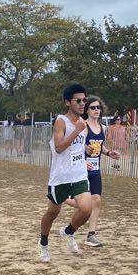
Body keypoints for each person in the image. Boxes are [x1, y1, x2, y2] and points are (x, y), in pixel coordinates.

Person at [38, 84, 94, 262]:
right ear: (68, 102)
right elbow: (59, 147)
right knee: (52, 213)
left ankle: (68, 231)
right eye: (78, 100)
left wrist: (86, 149)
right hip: (60, 176)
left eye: (84, 100)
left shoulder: (82, 123)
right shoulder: (61, 121)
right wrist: (77, 130)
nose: (82, 103)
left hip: (78, 174)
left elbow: (76, 146)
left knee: (87, 209)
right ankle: (43, 243)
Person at [64, 95, 120, 247]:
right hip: (81, 169)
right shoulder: (83, 126)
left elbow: (100, 146)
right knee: (83, 204)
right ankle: (62, 197)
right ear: (87, 110)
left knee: (96, 200)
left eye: (98, 107)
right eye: (93, 107)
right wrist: (84, 150)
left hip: (95, 169)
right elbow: (73, 145)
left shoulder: (103, 127)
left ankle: (91, 235)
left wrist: (109, 153)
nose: (96, 110)